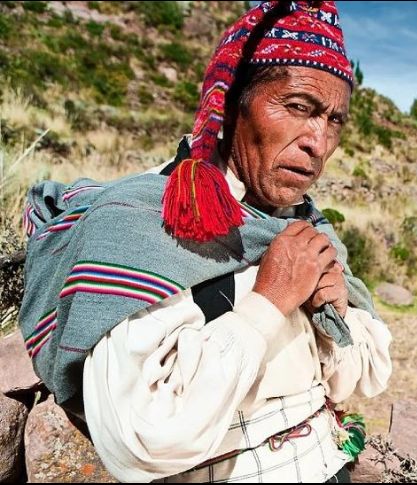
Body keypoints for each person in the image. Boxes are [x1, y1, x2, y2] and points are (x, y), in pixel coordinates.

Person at [18, 1, 391, 482]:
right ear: (233, 104)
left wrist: (336, 310)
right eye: (298, 107)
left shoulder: (305, 227)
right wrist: (269, 303)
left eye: (334, 120)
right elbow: (138, 441)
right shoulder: (145, 224)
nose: (317, 141)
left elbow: (364, 378)